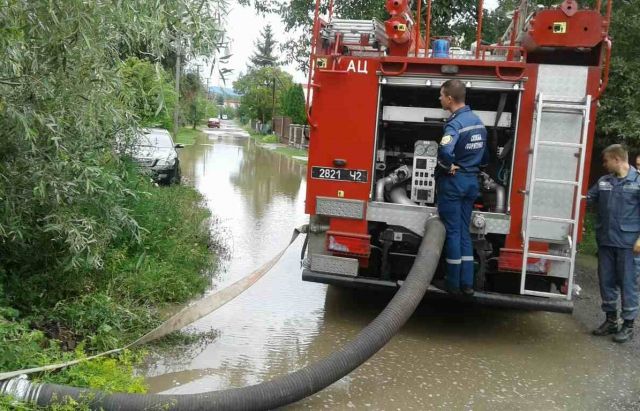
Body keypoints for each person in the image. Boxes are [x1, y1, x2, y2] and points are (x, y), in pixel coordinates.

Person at [436, 79, 488, 296]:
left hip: (454, 184)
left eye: (441, 95)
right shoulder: (477, 122)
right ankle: (467, 284)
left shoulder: (454, 124)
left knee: (453, 232)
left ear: (450, 98)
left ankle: (453, 283)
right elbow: (484, 156)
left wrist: (448, 165)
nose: (439, 98)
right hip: (471, 182)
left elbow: (445, 150)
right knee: (465, 232)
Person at [587, 144, 640, 343]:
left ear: (617, 159)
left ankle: (628, 325)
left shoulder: (637, 182)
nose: (604, 164)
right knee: (606, 282)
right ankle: (611, 320)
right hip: (606, 241)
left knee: (628, 284)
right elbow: (587, 199)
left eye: (606, 160)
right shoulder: (604, 182)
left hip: (628, 245)